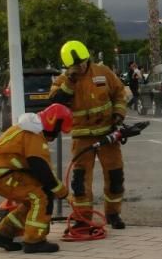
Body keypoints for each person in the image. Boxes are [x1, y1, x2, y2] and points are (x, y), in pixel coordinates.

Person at [50, 40, 128, 230]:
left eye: (83, 62)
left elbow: (119, 93)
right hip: (82, 138)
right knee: (80, 180)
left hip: (108, 134)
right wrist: (70, 81)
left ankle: (113, 214)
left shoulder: (103, 72)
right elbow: (55, 102)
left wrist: (118, 114)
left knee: (115, 175)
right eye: (76, 64)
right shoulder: (63, 80)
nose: (81, 66)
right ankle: (83, 217)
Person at [0, 104, 72, 253]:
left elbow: (40, 171)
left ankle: (2, 235)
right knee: (41, 197)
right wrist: (63, 193)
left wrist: (58, 190)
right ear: (52, 122)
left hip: (0, 174)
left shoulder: (30, 129)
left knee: (33, 199)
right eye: (58, 130)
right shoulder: (34, 135)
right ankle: (34, 241)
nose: (56, 135)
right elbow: (42, 170)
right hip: (2, 175)